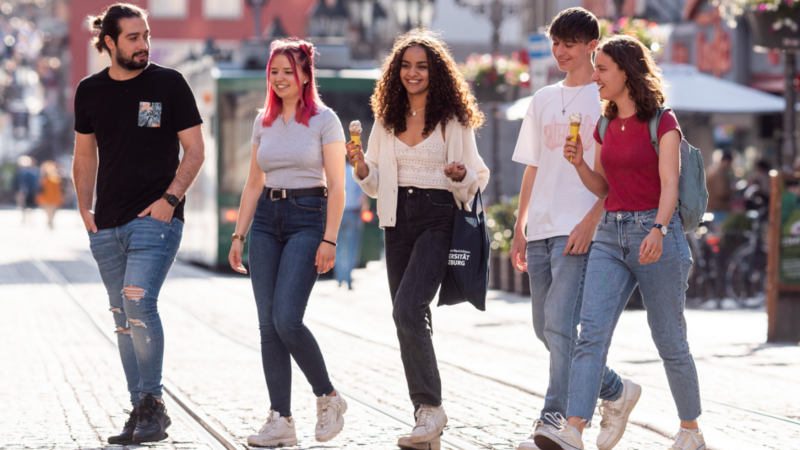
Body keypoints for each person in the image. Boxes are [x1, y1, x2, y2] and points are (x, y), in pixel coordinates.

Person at [541, 35, 705, 450]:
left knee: (669, 340)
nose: (594, 77)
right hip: (610, 236)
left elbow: (670, 184)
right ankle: (573, 429)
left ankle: (691, 431)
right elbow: (602, 187)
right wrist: (579, 163)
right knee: (591, 334)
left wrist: (660, 229)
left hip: (655, 235)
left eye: (601, 69)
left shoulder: (662, 122)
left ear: (626, 72)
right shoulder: (603, 123)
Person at [346, 29, 489, 450]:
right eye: (405, 65)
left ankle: (430, 409)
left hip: (437, 218)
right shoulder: (387, 120)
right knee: (407, 314)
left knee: (408, 309)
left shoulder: (453, 120)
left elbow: (477, 175)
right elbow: (373, 183)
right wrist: (359, 168)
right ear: (396, 71)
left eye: (421, 66)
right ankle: (426, 423)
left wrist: (461, 177)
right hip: (396, 221)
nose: (413, 73)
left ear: (436, 72)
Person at [72, 3, 205, 445]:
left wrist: (170, 199)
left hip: (156, 219)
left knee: (138, 302)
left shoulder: (169, 84)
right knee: (121, 317)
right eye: (133, 38)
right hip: (106, 224)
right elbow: (85, 154)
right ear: (109, 43)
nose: (143, 45)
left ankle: (153, 404)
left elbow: (195, 151)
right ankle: (141, 409)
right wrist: (84, 207)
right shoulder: (89, 92)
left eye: (145, 35)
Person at [508, 8, 638, 450]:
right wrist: (520, 227)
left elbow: (615, 174)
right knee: (546, 329)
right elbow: (532, 168)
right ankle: (616, 389)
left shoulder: (605, 100)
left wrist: (591, 219)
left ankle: (553, 421)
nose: (560, 52)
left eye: (569, 44)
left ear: (590, 46)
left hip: (580, 227)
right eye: (556, 43)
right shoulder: (542, 98)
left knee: (561, 325)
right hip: (541, 226)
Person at [227, 38, 348, 448]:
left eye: (287, 71)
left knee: (287, 319)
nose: (279, 79)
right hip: (265, 221)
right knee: (267, 327)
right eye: (274, 72)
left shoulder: (324, 120)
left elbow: (337, 186)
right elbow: (252, 183)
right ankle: (281, 419)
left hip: (307, 219)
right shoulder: (263, 120)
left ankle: (328, 396)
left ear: (305, 75)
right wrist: (239, 235)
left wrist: (329, 238)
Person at [334, 166, 368, 289]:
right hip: (353, 213)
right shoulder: (355, 173)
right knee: (351, 248)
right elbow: (363, 196)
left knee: (337, 248)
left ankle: (339, 278)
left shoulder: (335, 171)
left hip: (337, 214)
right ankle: (348, 279)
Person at [705, 152, 733, 228]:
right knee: (719, 232)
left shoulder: (711, 170)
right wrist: (731, 190)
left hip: (711, 206)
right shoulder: (718, 173)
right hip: (718, 208)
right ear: (727, 161)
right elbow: (720, 192)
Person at [36, 160, 64, 229]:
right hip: (51, 197)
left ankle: (50, 220)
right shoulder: (55, 178)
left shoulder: (49, 178)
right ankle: (50, 220)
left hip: (49, 197)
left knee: (49, 210)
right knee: (51, 210)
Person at [13, 156, 38, 223]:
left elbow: (34, 182)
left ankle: (29, 218)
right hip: (21, 191)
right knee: (22, 204)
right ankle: (24, 218)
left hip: (29, 191)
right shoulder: (19, 172)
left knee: (29, 205)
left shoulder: (32, 171)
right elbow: (16, 181)